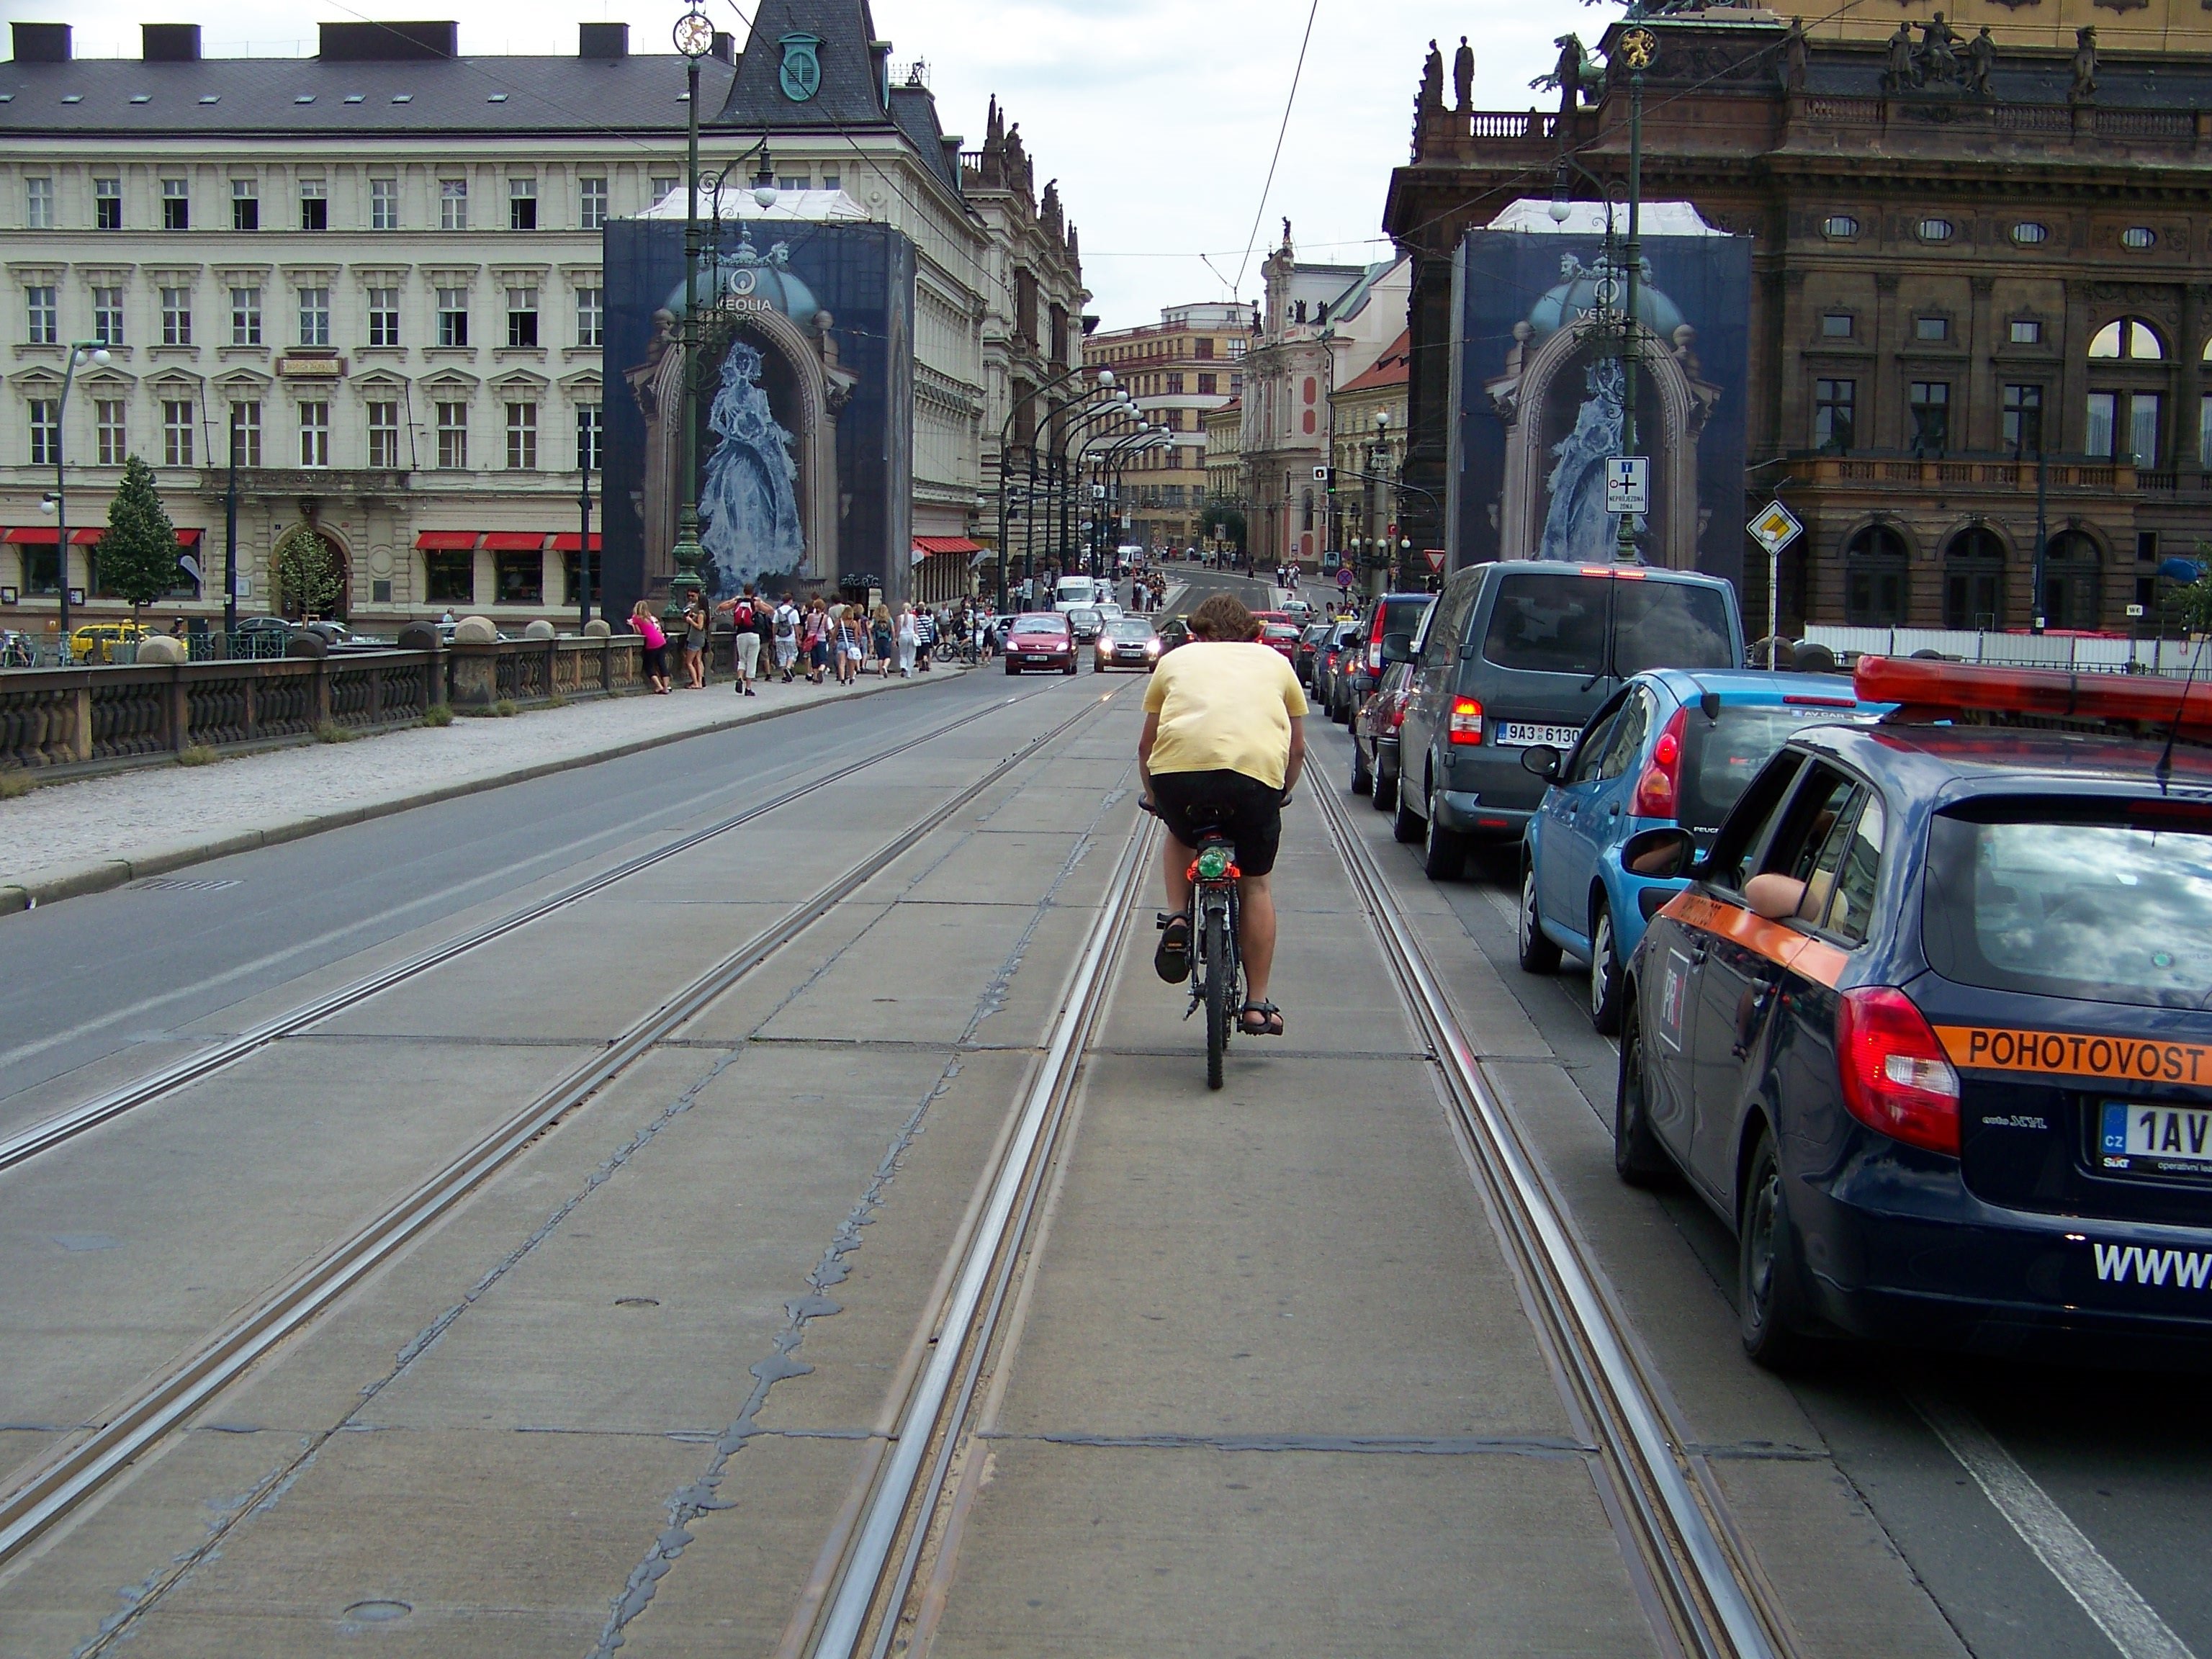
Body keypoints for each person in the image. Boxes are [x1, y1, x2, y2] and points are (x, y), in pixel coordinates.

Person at [1138, 592, 1307, 1038]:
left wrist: (1154, 795)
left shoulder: (1175, 662)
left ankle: (1177, 916)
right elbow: (1297, 747)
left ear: (1196, 633)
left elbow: (1146, 744)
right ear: (1256, 634)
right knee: (1256, 885)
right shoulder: (1276, 664)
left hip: (1180, 778)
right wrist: (1281, 794)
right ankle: (1256, 1004)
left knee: (1179, 831)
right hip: (1254, 784)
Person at [719, 588, 760, 696]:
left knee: (742, 659)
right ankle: (748, 688)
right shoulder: (755, 603)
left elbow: (720, 608)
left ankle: (739, 678)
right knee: (752, 661)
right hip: (753, 635)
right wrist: (761, 602)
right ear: (752, 593)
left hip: (741, 634)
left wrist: (733, 599)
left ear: (744, 591)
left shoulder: (738, 602)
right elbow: (771, 610)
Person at [630, 599, 671, 694]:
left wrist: (632, 625)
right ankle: (666, 687)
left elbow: (639, 632)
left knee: (648, 666)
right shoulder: (649, 618)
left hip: (652, 643)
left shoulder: (636, 618)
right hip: (661, 640)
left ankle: (659, 686)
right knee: (662, 663)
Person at [771, 591, 801, 681]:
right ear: (790, 601)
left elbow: (774, 625)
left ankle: (784, 676)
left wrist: (774, 637)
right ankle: (788, 668)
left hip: (779, 636)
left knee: (782, 655)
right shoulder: (794, 612)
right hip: (790, 636)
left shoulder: (778, 611)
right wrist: (798, 638)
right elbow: (796, 626)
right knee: (793, 653)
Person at [680, 595, 708, 690]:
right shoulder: (702, 613)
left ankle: (695, 682)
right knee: (698, 660)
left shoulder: (700, 613)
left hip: (695, 639)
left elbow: (699, 627)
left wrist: (690, 621)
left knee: (689, 662)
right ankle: (700, 682)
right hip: (700, 639)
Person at [913, 604, 937, 671]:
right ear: (924, 611)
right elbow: (930, 628)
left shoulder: (916, 620)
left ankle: (921, 667)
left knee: (919, 653)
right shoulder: (928, 619)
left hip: (919, 639)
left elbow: (915, 629)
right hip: (926, 639)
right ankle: (926, 662)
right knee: (927, 652)